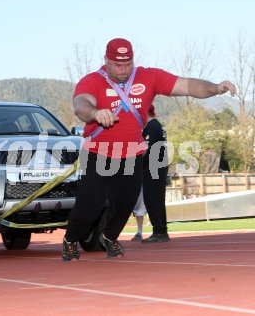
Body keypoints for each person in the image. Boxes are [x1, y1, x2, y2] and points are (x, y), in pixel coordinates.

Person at [62, 38, 236, 261]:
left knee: (125, 203)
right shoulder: (92, 81)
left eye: (127, 64)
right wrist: (95, 113)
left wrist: (215, 88)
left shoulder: (148, 77)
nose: (123, 70)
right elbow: (81, 104)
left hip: (132, 153)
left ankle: (109, 237)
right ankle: (70, 240)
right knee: (90, 205)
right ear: (106, 60)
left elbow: (187, 85)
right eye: (117, 64)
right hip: (99, 152)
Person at [141, 105, 170, 243]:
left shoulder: (152, 126)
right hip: (159, 166)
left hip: (153, 167)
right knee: (157, 199)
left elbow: (147, 147)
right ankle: (161, 230)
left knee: (152, 199)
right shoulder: (157, 125)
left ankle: (159, 230)